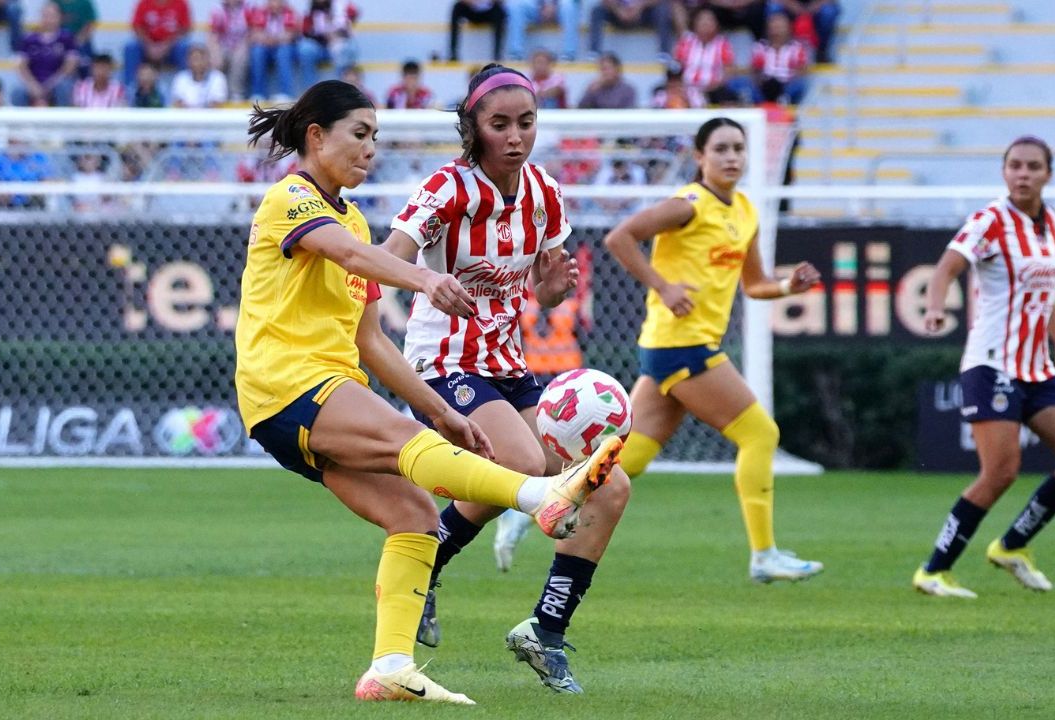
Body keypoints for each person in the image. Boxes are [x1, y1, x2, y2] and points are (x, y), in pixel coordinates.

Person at [237, 78, 623, 704]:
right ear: (316, 136)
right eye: (359, 135)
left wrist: (442, 411)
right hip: (289, 384)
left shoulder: (352, 215)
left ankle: (389, 668)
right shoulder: (291, 199)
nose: (370, 149)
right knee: (418, 442)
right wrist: (425, 278)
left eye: (375, 138)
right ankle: (540, 496)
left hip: (326, 389)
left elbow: (371, 341)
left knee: (413, 517)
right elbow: (356, 258)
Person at [381, 63, 631, 695]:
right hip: (442, 362)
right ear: (474, 128)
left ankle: (545, 629)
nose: (516, 136)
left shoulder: (545, 192)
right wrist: (429, 281)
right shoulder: (446, 189)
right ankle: (428, 565)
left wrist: (551, 289)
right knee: (519, 462)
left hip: (507, 366)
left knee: (610, 483)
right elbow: (385, 262)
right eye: (500, 125)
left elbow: (544, 292)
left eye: (526, 122)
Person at [605, 117, 825, 583]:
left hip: (677, 347)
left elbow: (756, 284)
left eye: (738, 149)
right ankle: (764, 555)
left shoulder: (744, 210)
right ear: (700, 157)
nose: (732, 157)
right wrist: (662, 286)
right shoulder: (688, 204)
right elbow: (619, 237)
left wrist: (788, 285)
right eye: (721, 148)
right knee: (760, 434)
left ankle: (531, 505)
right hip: (680, 344)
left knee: (631, 460)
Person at [911, 136, 1055, 598]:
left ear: (1048, 174)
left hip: (1037, 368)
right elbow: (945, 269)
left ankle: (1013, 546)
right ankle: (934, 570)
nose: (1023, 174)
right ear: (1004, 172)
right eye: (1015, 166)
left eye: (1033, 167)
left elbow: (1046, 295)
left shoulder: (1054, 224)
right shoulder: (990, 220)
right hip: (992, 365)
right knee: (1001, 471)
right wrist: (936, 308)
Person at [13, 1, 79, 107]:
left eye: (52, 16)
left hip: (57, 82)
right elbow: (21, 67)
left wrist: (51, 84)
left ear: (59, 17)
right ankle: (21, 122)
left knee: (64, 87)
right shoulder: (30, 39)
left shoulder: (66, 38)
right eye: (46, 15)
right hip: (34, 82)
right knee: (18, 91)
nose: (49, 19)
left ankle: (64, 121)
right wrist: (33, 85)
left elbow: (70, 66)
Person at [673, 5, 739, 107]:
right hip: (686, 89)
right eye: (701, 20)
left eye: (709, 20)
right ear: (695, 23)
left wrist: (708, 89)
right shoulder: (686, 42)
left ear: (716, 24)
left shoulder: (722, 44)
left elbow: (729, 73)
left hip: (713, 91)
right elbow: (676, 69)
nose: (705, 23)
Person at [123, 0, 191, 88]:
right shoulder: (144, 3)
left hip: (172, 47)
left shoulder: (181, 3)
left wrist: (166, 46)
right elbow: (137, 27)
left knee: (184, 47)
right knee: (131, 47)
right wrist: (149, 45)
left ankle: (185, 88)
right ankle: (130, 90)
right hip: (147, 46)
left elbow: (184, 29)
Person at [748, 10, 809, 105]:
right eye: (774, 26)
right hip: (766, 83)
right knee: (745, 84)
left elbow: (801, 70)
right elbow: (755, 70)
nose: (776, 30)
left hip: (786, 84)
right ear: (768, 28)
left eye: (780, 27)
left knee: (799, 85)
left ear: (788, 28)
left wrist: (788, 81)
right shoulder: (760, 47)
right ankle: (762, 103)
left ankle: (784, 100)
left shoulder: (797, 47)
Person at [588, 0, 673, 62]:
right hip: (618, 14)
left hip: (643, 14)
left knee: (663, 10)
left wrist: (640, 6)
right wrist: (618, 10)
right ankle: (595, 51)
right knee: (597, 10)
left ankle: (664, 52)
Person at [247, 0, 299, 101]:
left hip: (285, 47)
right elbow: (255, 33)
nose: (275, 3)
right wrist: (268, 40)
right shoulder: (261, 12)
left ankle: (286, 92)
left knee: (283, 52)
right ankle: (258, 93)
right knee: (257, 51)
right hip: (266, 46)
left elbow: (290, 35)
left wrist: (274, 39)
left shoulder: (289, 12)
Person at [505, 0, 579, 61]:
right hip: (534, 6)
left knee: (568, 5)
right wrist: (542, 4)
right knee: (515, 5)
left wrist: (552, 4)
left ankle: (569, 54)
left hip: (558, 6)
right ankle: (515, 54)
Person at [207, 0, 250, 101]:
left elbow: (252, 31)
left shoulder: (248, 7)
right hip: (222, 45)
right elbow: (213, 34)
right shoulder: (218, 9)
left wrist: (243, 46)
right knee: (215, 60)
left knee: (240, 58)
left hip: (242, 44)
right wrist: (214, 52)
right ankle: (216, 94)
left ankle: (236, 93)